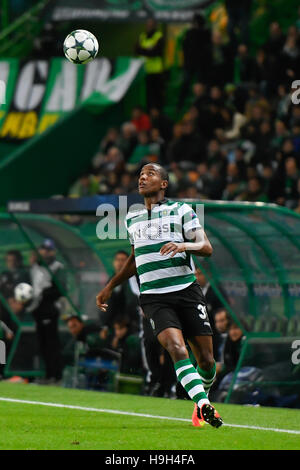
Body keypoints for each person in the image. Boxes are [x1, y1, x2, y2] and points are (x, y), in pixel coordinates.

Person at [96, 163, 223, 428]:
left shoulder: (182, 211)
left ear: (164, 183)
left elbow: (206, 247)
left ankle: (203, 396)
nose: (142, 178)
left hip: (186, 291)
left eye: (150, 174)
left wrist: (183, 245)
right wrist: (110, 286)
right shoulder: (132, 218)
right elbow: (135, 258)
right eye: (140, 174)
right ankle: (203, 405)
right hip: (154, 296)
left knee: (208, 362)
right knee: (176, 348)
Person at [29, 239, 66, 384]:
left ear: (53, 251)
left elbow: (61, 289)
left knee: (51, 343)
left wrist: (44, 293)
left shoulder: (58, 267)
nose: (45, 252)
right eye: (43, 249)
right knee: (42, 342)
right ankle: (47, 373)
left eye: (48, 249)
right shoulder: (35, 267)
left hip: (50, 309)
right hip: (36, 308)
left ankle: (55, 374)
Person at [135, 19, 165, 110]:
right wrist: (148, 50)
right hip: (146, 70)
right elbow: (136, 50)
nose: (148, 27)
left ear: (155, 26)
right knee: (148, 95)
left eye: (151, 25)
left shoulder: (159, 36)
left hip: (156, 71)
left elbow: (156, 52)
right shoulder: (142, 36)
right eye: (147, 24)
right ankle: (149, 111)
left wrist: (143, 50)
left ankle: (158, 111)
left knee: (157, 94)